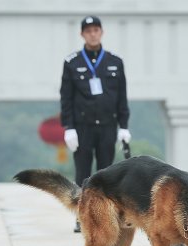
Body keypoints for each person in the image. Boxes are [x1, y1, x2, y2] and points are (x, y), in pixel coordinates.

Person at [60, 15, 131, 233]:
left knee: (106, 173)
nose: (92, 34)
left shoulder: (114, 61)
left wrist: (124, 126)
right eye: (88, 30)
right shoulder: (72, 62)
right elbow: (66, 97)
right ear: (82, 34)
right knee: (83, 172)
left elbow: (121, 97)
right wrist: (69, 127)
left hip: (108, 126)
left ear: (101, 32)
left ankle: (105, 216)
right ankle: (82, 217)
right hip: (83, 127)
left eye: (96, 30)